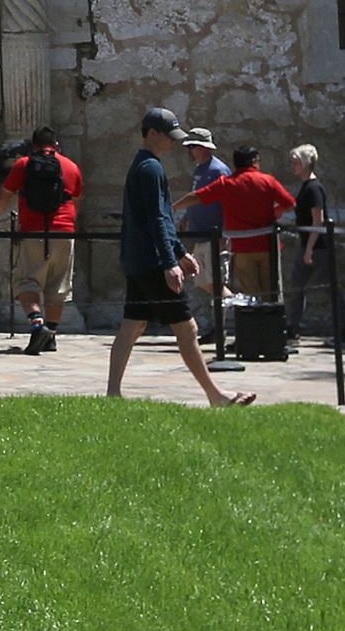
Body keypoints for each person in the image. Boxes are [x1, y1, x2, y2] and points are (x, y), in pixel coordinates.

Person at [107, 108, 254, 408]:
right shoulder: (150, 169)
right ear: (151, 134)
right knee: (187, 328)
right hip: (151, 264)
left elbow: (159, 219)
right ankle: (217, 397)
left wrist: (180, 253)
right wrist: (170, 262)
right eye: (169, 136)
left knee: (132, 325)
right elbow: (159, 219)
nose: (174, 143)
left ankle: (112, 393)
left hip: (138, 261)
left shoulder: (144, 166)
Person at [0, 126, 80, 353]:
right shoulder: (71, 166)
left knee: (26, 282)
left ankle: (38, 326)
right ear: (56, 145)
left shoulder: (24, 164)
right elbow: (76, 200)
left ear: (34, 145)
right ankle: (52, 336)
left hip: (32, 231)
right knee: (58, 287)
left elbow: (4, 194)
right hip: (64, 231)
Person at [171, 151, 295, 306]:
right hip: (268, 245)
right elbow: (290, 203)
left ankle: (254, 328)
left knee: (252, 298)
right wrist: (274, 213)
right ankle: (273, 328)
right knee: (272, 294)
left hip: (243, 248)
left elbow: (197, 197)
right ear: (255, 162)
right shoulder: (267, 181)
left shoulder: (227, 183)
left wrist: (173, 207)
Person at [175, 129, 229, 326]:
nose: (190, 151)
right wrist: (186, 217)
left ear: (203, 147)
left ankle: (225, 316)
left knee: (215, 281)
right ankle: (224, 313)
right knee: (202, 279)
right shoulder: (200, 169)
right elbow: (196, 195)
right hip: (200, 233)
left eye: (193, 146)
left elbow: (226, 202)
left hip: (213, 234)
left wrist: (225, 233)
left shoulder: (218, 171)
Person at [282, 145, 331, 337]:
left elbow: (318, 221)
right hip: (308, 245)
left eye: (295, 163)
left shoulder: (314, 189)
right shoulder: (306, 187)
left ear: (304, 164)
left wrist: (309, 248)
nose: (293, 166)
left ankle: (344, 327)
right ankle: (293, 325)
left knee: (329, 287)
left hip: (317, 247)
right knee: (297, 286)